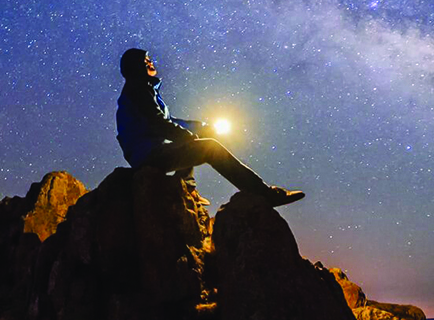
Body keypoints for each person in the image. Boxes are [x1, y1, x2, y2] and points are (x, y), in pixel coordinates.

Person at [116, 48, 304, 207]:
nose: (151, 63)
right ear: (136, 66)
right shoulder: (138, 88)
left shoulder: (141, 89)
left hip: (148, 152)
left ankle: (187, 188)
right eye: (146, 60)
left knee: (190, 139)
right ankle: (264, 193)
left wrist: (200, 128)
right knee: (209, 148)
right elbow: (157, 123)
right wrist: (189, 136)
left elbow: (167, 120)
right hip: (148, 155)